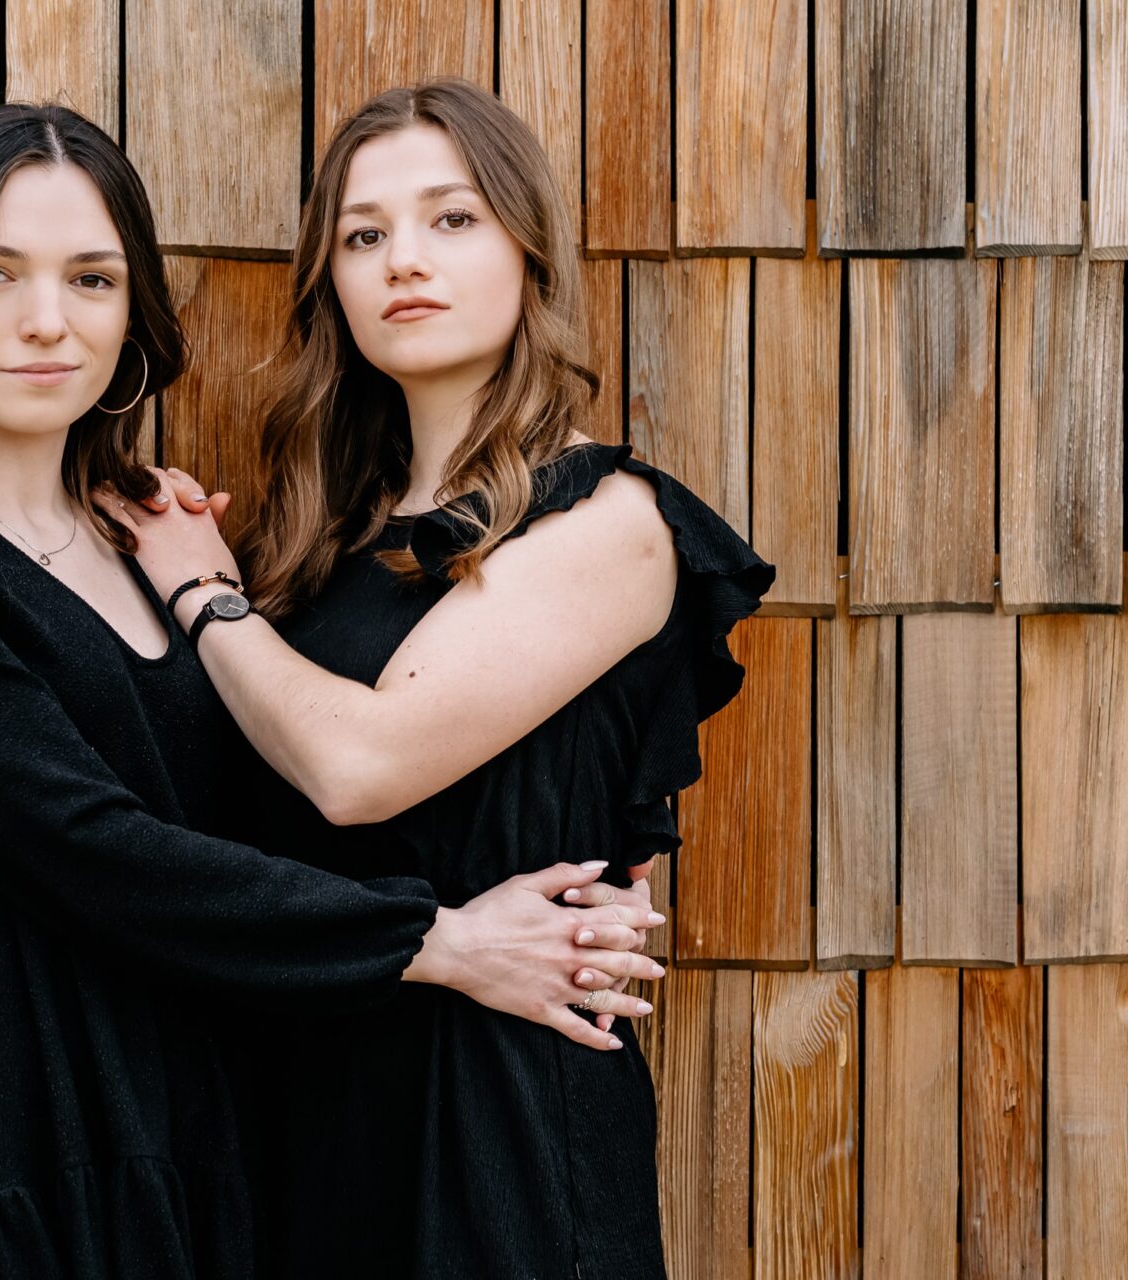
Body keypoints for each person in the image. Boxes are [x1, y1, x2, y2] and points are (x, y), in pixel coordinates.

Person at [0, 101, 666, 1278]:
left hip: (194, 1155)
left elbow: (269, 824)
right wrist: (447, 939)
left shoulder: (153, 551)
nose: (45, 319)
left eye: (91, 278)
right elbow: (94, 847)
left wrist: (570, 860)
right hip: (4, 1166)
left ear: (133, 316)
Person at [113, 78, 777, 1277]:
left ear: (528, 248)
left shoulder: (607, 521)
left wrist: (202, 592)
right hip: (313, 1110)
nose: (404, 260)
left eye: (452, 218)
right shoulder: (317, 547)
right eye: (363, 236)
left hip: (493, 1125)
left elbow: (357, 764)